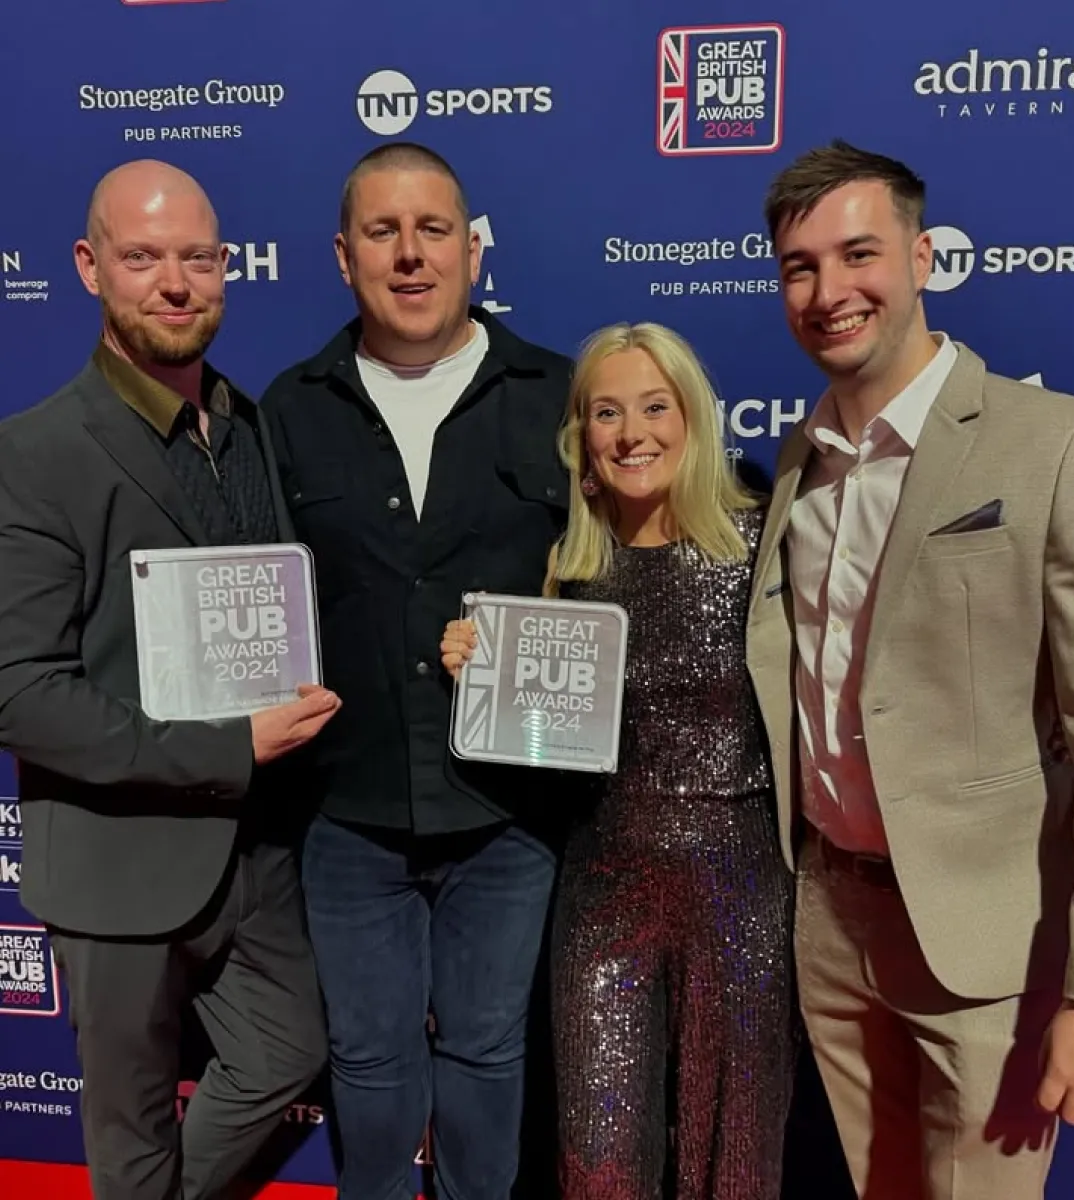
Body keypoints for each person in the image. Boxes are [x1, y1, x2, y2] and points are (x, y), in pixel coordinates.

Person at [746, 138, 1074, 1199]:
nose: (829, 291)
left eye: (859, 254)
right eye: (800, 267)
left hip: (991, 944)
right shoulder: (802, 460)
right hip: (832, 927)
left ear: (924, 256)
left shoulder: (1061, 444)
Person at [0, 160, 340, 1200]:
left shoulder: (252, 425)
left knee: (289, 1053)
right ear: (89, 267)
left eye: (196, 255)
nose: (175, 281)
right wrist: (223, 749)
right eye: (143, 258)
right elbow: (19, 689)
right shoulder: (36, 453)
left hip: (258, 858)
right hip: (115, 866)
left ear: (228, 267)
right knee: (129, 1134)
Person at [256, 142, 572, 1200]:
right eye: (382, 233)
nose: (409, 255)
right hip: (346, 813)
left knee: (489, 1058)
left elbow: (613, 594)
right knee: (371, 1069)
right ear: (343, 257)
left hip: (509, 809)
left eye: (432, 229)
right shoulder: (287, 411)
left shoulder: (561, 397)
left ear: (471, 249)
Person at [441, 322, 796, 1199]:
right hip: (604, 884)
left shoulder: (764, 548)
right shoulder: (567, 571)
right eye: (607, 412)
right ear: (583, 437)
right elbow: (551, 754)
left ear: (693, 419)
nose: (632, 431)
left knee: (736, 1153)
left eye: (653, 406)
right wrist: (484, 674)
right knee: (598, 1152)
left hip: (740, 886)